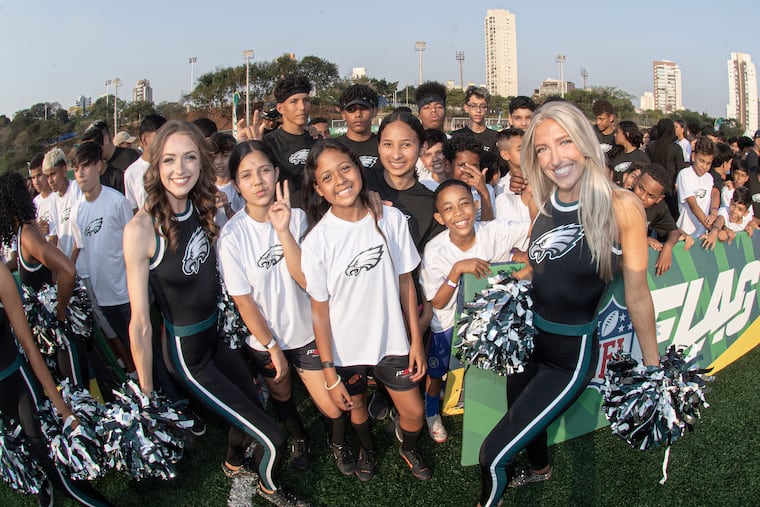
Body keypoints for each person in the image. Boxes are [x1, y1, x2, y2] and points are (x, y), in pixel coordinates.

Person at [477, 101, 661, 507]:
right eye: (542, 149)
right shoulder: (541, 199)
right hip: (527, 342)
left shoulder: (622, 206)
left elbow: (636, 294)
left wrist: (654, 370)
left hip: (569, 357)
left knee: (491, 456)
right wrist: (512, 284)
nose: (555, 158)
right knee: (528, 428)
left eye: (564, 142)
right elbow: (542, 264)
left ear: (586, 142)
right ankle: (541, 469)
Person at [123, 120, 307, 506]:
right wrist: (146, 394)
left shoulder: (201, 205)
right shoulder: (142, 228)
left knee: (251, 406)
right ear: (155, 165)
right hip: (187, 355)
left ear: (202, 164)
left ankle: (233, 461)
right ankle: (270, 488)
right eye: (170, 159)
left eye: (190, 157)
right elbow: (140, 322)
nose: (180, 169)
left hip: (218, 337)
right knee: (272, 435)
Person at [217, 140, 354, 476]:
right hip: (266, 339)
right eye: (247, 175)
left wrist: (282, 231)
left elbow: (310, 279)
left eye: (264, 170)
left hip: (308, 333)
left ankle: (338, 442)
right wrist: (271, 346)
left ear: (277, 172)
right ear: (236, 185)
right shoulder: (232, 237)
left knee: (334, 406)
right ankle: (298, 436)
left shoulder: (299, 219)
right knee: (282, 394)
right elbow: (243, 300)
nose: (258, 181)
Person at [301, 138, 432, 482]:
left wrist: (415, 340)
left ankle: (409, 447)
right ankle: (367, 448)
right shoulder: (317, 241)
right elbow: (319, 311)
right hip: (346, 350)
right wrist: (329, 373)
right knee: (355, 406)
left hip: (392, 342)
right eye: (327, 177)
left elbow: (406, 282)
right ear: (318, 189)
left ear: (358, 170)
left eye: (345, 168)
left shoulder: (388, 218)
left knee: (414, 412)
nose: (340, 180)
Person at [420, 179, 529, 443]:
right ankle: (431, 411)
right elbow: (437, 301)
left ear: (476, 205)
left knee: (492, 367)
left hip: (490, 320)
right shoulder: (435, 250)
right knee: (437, 372)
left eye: (464, 204)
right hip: (449, 322)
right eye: (449, 209)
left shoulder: (494, 230)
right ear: (440, 217)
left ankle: (490, 408)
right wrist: (457, 270)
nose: (458, 213)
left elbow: (535, 230)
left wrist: (523, 255)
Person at [0, 261, 114, 507]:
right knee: (24, 458)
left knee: (64, 479)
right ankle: (43, 488)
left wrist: (61, 407)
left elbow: (29, 346)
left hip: (19, 388)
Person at [0, 171, 87, 386]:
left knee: (79, 395)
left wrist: (59, 312)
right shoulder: (25, 233)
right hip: (52, 337)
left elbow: (68, 270)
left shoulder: (29, 235)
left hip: (61, 335)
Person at [71, 142, 136, 375]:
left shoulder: (117, 201)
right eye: (77, 168)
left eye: (86, 166)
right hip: (103, 296)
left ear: (99, 166)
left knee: (143, 346)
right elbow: (82, 248)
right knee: (124, 344)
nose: (80, 173)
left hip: (127, 292)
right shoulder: (78, 210)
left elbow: (134, 244)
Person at [263, 75, 316, 208]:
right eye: (294, 101)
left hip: (318, 219)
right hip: (284, 219)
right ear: (280, 108)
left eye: (306, 100)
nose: (302, 107)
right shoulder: (268, 144)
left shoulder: (317, 140)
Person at [631, 163, 693, 276]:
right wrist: (643, 240)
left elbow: (673, 231)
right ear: (636, 180)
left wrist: (668, 248)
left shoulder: (659, 207)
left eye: (651, 196)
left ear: (659, 199)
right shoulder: (620, 198)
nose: (643, 197)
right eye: (641, 188)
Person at [443, 135, 495, 221]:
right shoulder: (441, 192)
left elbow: (489, 227)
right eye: (462, 165)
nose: (468, 171)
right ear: (448, 165)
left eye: (474, 166)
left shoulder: (487, 190)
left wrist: (484, 194)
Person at [124, 114, 167, 213]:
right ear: (144, 140)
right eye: (159, 137)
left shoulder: (173, 166)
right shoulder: (131, 173)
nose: (164, 141)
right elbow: (133, 208)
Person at [676, 136, 718, 238]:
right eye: (701, 161)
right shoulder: (684, 174)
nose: (704, 167)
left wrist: (714, 213)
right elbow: (693, 205)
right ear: (694, 157)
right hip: (685, 234)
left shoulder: (709, 178)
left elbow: (714, 193)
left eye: (708, 163)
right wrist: (711, 229)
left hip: (702, 234)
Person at [336, 84, 381, 170]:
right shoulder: (332, 148)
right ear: (343, 114)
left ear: (375, 111)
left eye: (364, 108)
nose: (358, 114)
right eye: (351, 110)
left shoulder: (385, 146)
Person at [209, 131, 245, 227]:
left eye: (225, 156)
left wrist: (227, 209)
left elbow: (246, 223)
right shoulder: (205, 188)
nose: (219, 162)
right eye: (214, 157)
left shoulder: (241, 187)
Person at [452, 86, 498, 153]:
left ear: (487, 108)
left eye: (483, 106)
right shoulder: (455, 137)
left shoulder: (496, 138)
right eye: (473, 106)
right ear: (466, 108)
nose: (478, 110)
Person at [29, 153, 58, 243]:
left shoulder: (58, 196)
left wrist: (52, 228)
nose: (36, 181)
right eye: (33, 177)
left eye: (39, 175)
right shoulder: (34, 203)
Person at [611, 120, 649, 186]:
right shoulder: (616, 154)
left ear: (627, 134)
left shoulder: (642, 157)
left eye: (617, 132)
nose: (614, 135)